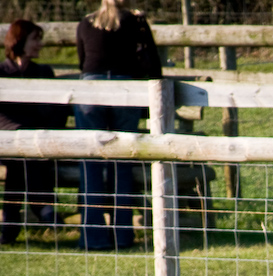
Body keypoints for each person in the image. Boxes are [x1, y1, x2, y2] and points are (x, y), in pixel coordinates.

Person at [75, 0, 161, 250]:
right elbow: (152, 60)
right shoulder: (135, 22)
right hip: (126, 90)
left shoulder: (86, 22)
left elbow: (83, 61)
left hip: (90, 90)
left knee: (90, 163)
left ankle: (93, 236)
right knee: (122, 161)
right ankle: (122, 234)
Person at [0, 19, 68, 245]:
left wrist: (43, 133)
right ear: (20, 41)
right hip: (7, 141)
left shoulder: (43, 72)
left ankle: (10, 222)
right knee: (20, 154)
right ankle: (43, 206)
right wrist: (19, 131)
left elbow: (57, 110)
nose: (40, 45)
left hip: (38, 141)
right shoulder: (2, 72)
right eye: (35, 39)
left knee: (22, 160)